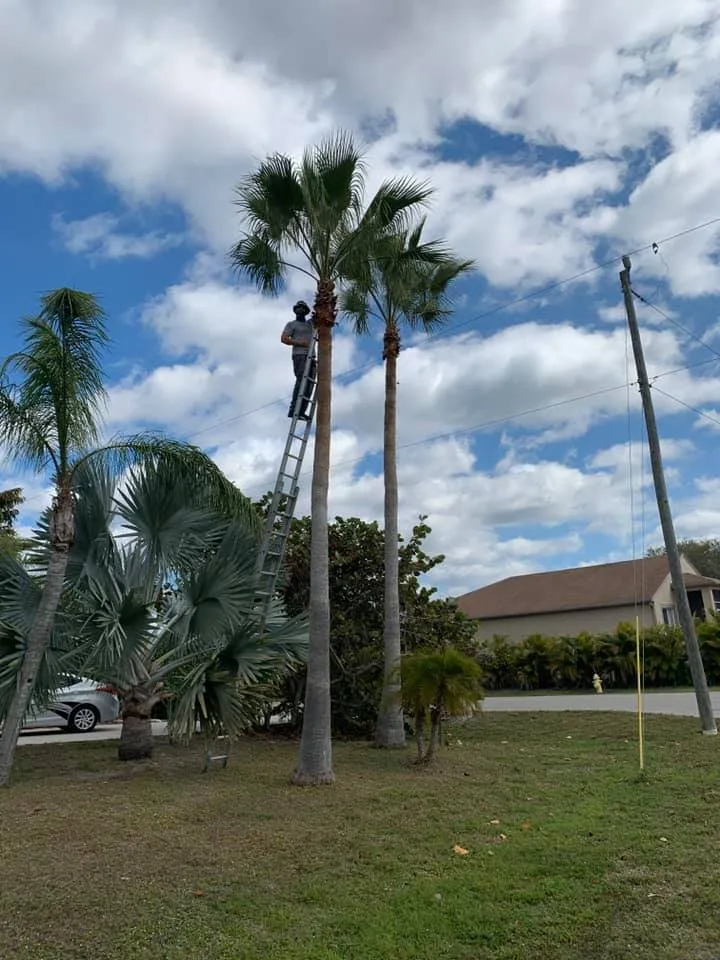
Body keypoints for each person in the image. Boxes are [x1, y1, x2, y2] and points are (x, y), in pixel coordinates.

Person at [281, 300, 316, 420]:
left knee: (310, 384)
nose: (300, 310)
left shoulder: (310, 324)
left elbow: (320, 315)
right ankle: (293, 409)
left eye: (303, 308)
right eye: (298, 308)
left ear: (306, 311)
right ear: (295, 311)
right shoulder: (291, 324)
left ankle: (301, 411)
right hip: (299, 355)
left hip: (311, 356)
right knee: (301, 381)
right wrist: (298, 343)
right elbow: (284, 339)